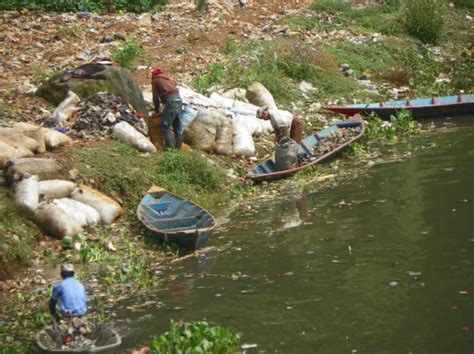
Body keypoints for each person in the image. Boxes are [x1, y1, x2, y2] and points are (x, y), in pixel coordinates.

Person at [151, 67, 183, 149]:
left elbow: (155, 98)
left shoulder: (156, 80)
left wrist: (157, 111)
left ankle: (171, 149)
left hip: (171, 101)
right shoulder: (169, 79)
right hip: (179, 100)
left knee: (165, 127)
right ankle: (177, 149)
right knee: (177, 127)